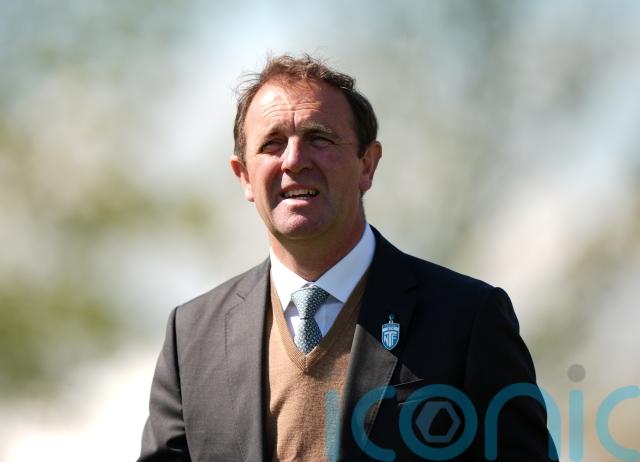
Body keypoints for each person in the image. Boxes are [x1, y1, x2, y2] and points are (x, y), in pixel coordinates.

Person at [138, 54, 557, 461]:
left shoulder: (467, 319)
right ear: (244, 175)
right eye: (272, 144)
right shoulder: (191, 338)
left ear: (367, 165)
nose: (294, 160)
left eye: (319, 139)